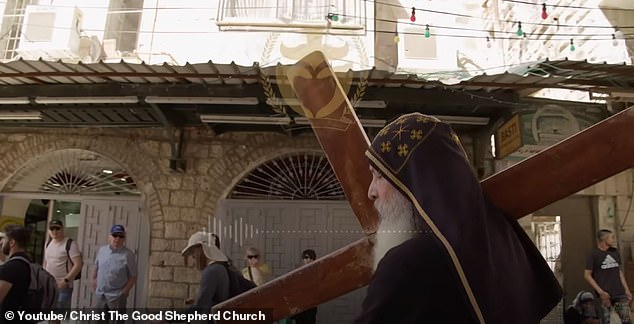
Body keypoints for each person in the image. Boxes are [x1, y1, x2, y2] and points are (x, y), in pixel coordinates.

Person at [354, 113, 562, 324]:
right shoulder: (507, 237)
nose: (371, 191)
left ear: (415, 179)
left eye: (379, 176)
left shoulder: (408, 262)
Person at [584, 229, 632, 324]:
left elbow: (619, 272)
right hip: (604, 295)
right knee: (606, 321)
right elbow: (587, 275)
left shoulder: (614, 252)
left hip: (619, 293)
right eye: (612, 237)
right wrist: (600, 292)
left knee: (626, 320)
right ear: (604, 239)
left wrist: (626, 289)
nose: (614, 240)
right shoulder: (593, 255)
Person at [92, 224, 137, 321]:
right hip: (101, 295)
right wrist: (95, 280)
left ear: (124, 239)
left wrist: (124, 293)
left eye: (121, 236)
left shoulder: (128, 254)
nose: (117, 238)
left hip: (117, 297)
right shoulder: (102, 250)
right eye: (115, 235)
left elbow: (133, 276)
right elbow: (96, 267)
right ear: (109, 236)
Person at [182, 231, 230, 311]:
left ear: (201, 249)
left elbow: (198, 308)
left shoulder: (211, 272)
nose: (193, 256)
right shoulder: (220, 267)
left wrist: (167, 317)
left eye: (193, 251)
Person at [43, 219, 83, 314]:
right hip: (49, 285)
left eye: (57, 229)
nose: (54, 231)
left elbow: (78, 264)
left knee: (57, 314)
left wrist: (66, 281)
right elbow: (46, 262)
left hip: (63, 286)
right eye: (52, 229)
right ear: (48, 230)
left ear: (62, 229)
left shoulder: (70, 244)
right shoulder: (48, 243)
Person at [0, 225, 32, 313]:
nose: (2, 242)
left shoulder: (11, 267)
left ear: (12, 242)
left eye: (4, 239)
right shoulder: (28, 263)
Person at [289, 249, 318, 324]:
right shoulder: (299, 272)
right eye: (306, 257)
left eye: (311, 258)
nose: (308, 260)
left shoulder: (317, 271)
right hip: (300, 305)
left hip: (311, 305)